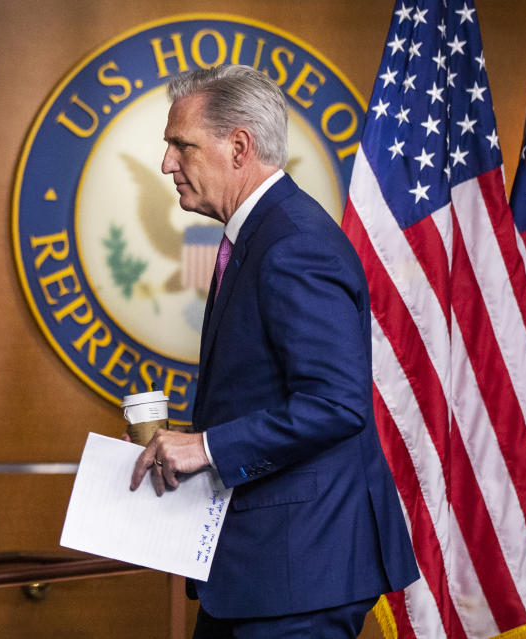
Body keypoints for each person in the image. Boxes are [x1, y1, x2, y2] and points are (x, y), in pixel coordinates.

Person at [130, 64, 419, 638]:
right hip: (260, 574)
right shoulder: (260, 233)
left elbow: (336, 404)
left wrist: (206, 447)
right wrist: (189, 449)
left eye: (180, 145)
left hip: (299, 577)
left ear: (239, 147)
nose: (166, 164)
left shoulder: (293, 242)